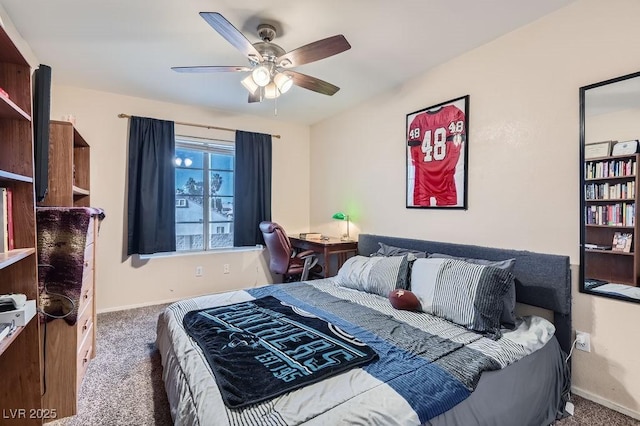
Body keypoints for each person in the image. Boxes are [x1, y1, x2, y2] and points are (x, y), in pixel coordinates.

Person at [407, 103, 466, 206]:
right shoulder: (453, 113)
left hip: (424, 178)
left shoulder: (418, 120)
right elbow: (455, 148)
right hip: (441, 175)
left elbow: (414, 153)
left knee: (447, 215)